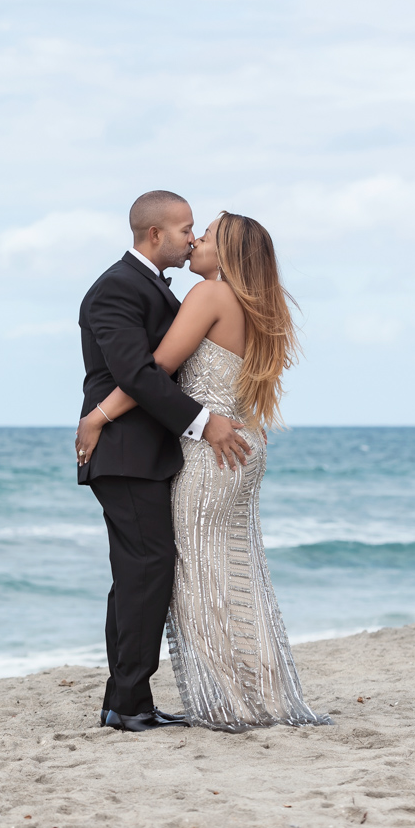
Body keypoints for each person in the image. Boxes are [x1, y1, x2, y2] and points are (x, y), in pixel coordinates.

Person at [77, 210, 331, 732]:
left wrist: (96, 417)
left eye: (207, 234)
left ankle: (217, 698)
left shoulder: (209, 296)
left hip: (211, 451)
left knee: (196, 575)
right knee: (235, 567)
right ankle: (252, 692)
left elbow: (155, 371)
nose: (196, 240)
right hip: (243, 447)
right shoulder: (257, 306)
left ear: (230, 252)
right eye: (191, 230)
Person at [74, 190, 252, 733]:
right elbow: (138, 373)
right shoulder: (116, 289)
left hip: (143, 450)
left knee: (138, 576)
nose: (192, 239)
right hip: (125, 453)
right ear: (156, 235)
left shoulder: (152, 286)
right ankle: (128, 703)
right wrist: (203, 421)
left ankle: (123, 701)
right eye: (185, 230)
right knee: (146, 573)